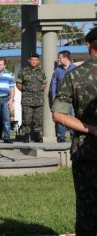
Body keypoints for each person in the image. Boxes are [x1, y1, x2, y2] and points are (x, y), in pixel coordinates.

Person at [51, 27, 97, 236]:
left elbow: (58, 114)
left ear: (89, 45)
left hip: (87, 151)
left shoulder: (75, 75)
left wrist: (91, 129)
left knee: (87, 209)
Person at [16, 53, 46, 143]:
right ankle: (26, 135)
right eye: (32, 59)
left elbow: (44, 83)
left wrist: (38, 90)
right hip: (27, 99)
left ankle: (38, 136)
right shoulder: (23, 71)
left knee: (38, 119)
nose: (34, 61)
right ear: (29, 60)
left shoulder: (41, 71)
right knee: (26, 118)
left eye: (35, 60)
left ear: (38, 61)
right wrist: (26, 91)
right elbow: (18, 84)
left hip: (38, 99)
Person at [50, 50, 76, 143]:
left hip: (73, 98)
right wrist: (53, 96)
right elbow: (53, 84)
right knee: (61, 118)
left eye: (60, 58)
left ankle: (74, 136)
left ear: (65, 58)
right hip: (60, 98)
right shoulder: (57, 70)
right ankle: (61, 137)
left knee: (73, 118)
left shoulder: (75, 68)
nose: (59, 59)